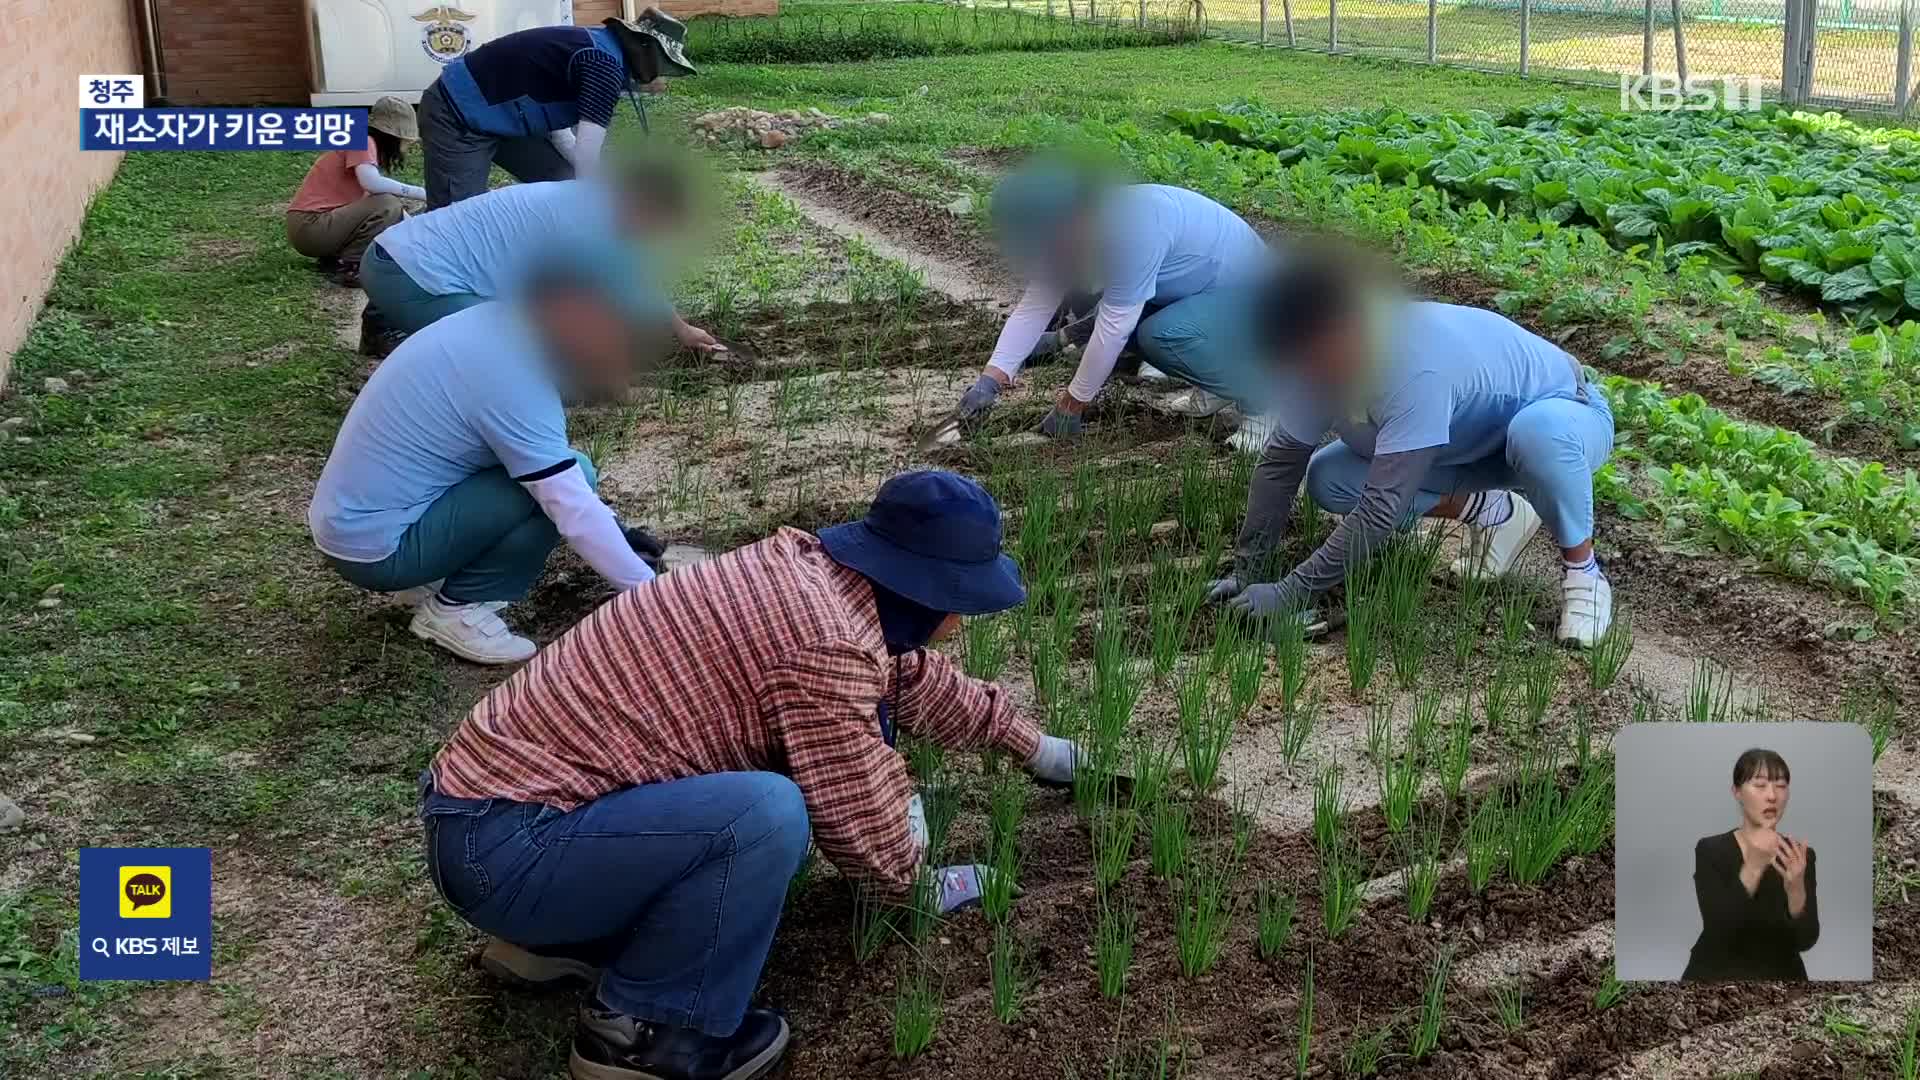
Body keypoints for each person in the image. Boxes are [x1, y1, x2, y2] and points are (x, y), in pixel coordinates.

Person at [417, 470, 1086, 1080]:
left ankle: (560, 940)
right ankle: (645, 1032)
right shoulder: (826, 644)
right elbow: (855, 812)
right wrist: (917, 884)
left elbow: (911, 677)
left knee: (747, 810)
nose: (963, 618)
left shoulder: (816, 579)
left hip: (489, 823)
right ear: (928, 590)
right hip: (510, 851)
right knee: (765, 816)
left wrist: (1038, 750)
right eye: (963, 599)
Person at [1209, 245, 1617, 647]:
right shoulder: (1319, 356)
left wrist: (1292, 592)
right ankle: (1495, 510)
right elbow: (1282, 463)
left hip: (1565, 417)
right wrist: (1250, 569)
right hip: (1466, 443)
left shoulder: (1412, 364)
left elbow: (1381, 509)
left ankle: (1584, 573)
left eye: (1309, 360)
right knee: (1329, 478)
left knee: (1537, 434)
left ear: (1344, 329)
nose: (1306, 375)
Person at [307, 241, 669, 665]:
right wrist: (655, 599)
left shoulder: (496, 323)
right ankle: (457, 609)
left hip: (357, 522)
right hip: (376, 550)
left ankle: (430, 576)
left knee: (570, 471)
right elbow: (568, 504)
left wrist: (616, 530)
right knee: (560, 488)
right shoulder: (514, 376)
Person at [949, 162, 1276, 450]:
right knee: (1130, 325)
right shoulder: (1071, 232)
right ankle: (1217, 383)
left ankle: (1262, 403)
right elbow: (1034, 308)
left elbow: (1113, 330)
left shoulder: (1134, 230)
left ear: (1077, 216)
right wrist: (990, 380)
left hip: (1249, 295)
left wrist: (1072, 404)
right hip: (1199, 296)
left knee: (1160, 336)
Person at [358, 169, 722, 356]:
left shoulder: (596, 201)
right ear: (645, 206)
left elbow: (631, 274)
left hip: (391, 256)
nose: (653, 236)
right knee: (520, 359)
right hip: (409, 278)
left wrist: (682, 329)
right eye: (658, 225)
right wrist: (612, 383)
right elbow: (600, 303)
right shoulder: (590, 226)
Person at [419, 10, 696, 209]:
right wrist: (595, 207)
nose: (661, 71)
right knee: (457, 219)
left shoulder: (600, 49)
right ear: (644, 47)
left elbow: (557, 129)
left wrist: (596, 186)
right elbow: (587, 155)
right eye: (662, 61)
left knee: (564, 179)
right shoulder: (604, 65)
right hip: (456, 113)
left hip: (505, 117)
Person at [1682, 748, 1818, 981]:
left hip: (1782, 978)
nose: (1772, 796)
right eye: (1760, 785)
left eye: (1781, 785)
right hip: (1716, 979)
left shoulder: (1799, 855)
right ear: (1737, 792)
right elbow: (1719, 932)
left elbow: (1805, 941)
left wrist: (1796, 889)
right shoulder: (1711, 850)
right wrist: (1753, 866)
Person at [285, 95, 425, 289]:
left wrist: (423, 232)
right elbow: (373, 185)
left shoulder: (363, 149)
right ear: (393, 136)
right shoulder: (362, 141)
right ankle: (353, 266)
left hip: (311, 228)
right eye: (406, 140)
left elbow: (391, 211)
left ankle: (335, 260)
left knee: (388, 206)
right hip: (310, 226)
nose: (407, 147)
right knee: (387, 204)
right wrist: (419, 192)